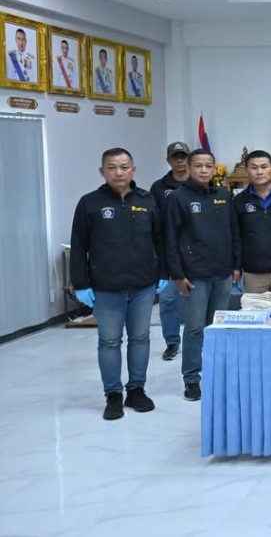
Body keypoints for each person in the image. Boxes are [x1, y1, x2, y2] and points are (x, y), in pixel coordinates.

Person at [70, 147, 165, 420]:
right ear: (102, 171)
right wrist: (80, 283)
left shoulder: (148, 200)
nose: (119, 172)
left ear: (133, 170)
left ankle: (136, 390)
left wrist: (164, 273)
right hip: (106, 287)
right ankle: (113, 394)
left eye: (124, 167)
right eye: (112, 167)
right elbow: (79, 246)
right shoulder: (89, 203)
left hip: (143, 285)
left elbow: (160, 240)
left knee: (140, 338)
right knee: (110, 341)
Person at [164, 149, 240, 402]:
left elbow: (234, 233)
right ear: (189, 168)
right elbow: (170, 239)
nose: (204, 170)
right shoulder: (178, 198)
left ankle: (216, 374)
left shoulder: (224, 195)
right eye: (198, 166)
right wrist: (177, 274)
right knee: (195, 328)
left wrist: (236, 265)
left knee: (217, 328)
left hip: (223, 273)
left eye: (208, 165)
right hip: (194, 276)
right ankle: (192, 379)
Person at [149, 141, 191, 361]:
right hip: (168, 254)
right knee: (167, 300)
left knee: (201, 301)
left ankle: (202, 339)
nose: (180, 160)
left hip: (198, 252)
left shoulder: (201, 182)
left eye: (183, 156)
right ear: (168, 161)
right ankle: (172, 342)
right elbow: (153, 221)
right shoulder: (158, 188)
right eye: (176, 157)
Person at [233, 150, 271, 293]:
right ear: (247, 171)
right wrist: (236, 266)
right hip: (252, 273)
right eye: (254, 168)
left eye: (264, 167)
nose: (259, 172)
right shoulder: (239, 201)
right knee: (255, 308)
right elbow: (236, 236)